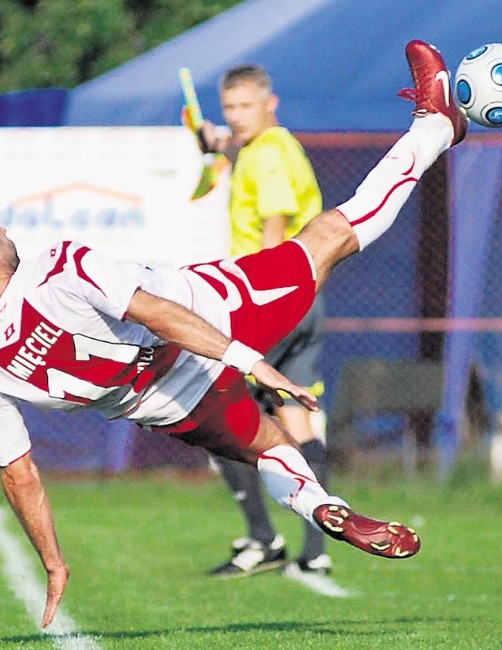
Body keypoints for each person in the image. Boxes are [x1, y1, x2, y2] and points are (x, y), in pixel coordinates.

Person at [0, 40, 466, 628]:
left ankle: (325, 507)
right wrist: (248, 360)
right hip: (216, 314)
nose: (6, 229)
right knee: (334, 230)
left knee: (270, 447)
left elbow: (19, 472)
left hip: (171, 405)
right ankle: (435, 124)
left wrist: (52, 563)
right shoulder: (56, 267)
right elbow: (156, 312)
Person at [196, 65, 333, 583]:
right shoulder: (259, 147)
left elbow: (275, 229)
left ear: (269, 104)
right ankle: (316, 551)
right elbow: (233, 147)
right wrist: (214, 142)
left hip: (272, 303)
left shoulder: (270, 152)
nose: (236, 117)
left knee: (214, 414)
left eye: (245, 107)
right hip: (302, 303)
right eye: (229, 108)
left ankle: (262, 539)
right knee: (296, 422)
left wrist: (265, 301)